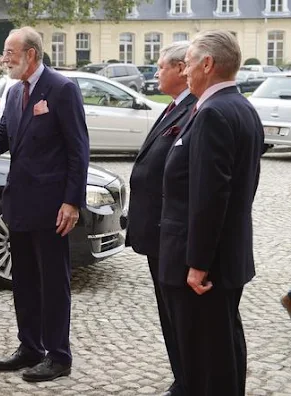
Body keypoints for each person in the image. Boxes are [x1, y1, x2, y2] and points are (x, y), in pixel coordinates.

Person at [0, 27, 89, 382]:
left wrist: (72, 201)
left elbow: (78, 149)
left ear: (31, 54)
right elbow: (3, 137)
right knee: (24, 280)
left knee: (53, 282)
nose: (5, 59)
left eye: (10, 52)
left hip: (52, 208)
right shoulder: (14, 90)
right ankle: (30, 346)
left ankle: (58, 355)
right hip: (18, 205)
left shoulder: (62, 89)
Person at [159, 30, 264, 395]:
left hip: (206, 266)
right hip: (226, 255)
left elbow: (211, 195)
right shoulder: (242, 107)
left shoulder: (214, 114)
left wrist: (198, 263)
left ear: (208, 64)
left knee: (206, 358)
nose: (185, 70)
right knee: (223, 350)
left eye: (188, 62)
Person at [126, 41, 197, 396]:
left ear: (182, 68)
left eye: (160, 67)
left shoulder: (196, 109)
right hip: (157, 233)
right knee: (168, 313)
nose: (155, 74)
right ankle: (181, 377)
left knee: (181, 316)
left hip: (172, 233)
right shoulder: (174, 107)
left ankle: (188, 380)